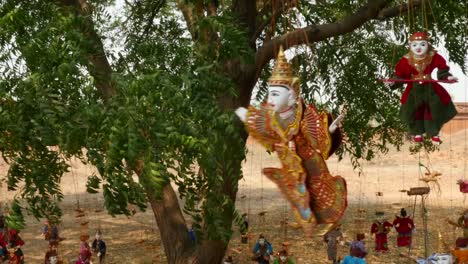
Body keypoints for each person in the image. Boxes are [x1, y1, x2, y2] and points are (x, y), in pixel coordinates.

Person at [235, 46, 347, 236]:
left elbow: (316, 134)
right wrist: (241, 112)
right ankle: (306, 220)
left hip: (311, 163)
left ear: (292, 94)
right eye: (270, 94)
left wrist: (330, 129)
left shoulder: (303, 114)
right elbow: (261, 124)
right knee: (299, 195)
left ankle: (331, 220)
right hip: (291, 163)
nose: (271, 99)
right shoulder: (273, 118)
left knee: (320, 191)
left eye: (276, 94)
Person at [391, 31, 458, 143]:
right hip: (413, 89)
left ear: (428, 45)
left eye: (422, 44)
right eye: (415, 45)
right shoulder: (406, 59)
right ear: (410, 46)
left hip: (430, 88)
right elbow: (400, 75)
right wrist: (393, 82)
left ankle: (434, 133)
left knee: (435, 108)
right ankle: (417, 133)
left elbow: (442, 69)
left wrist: (447, 77)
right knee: (411, 108)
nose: (418, 48)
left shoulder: (433, 56)